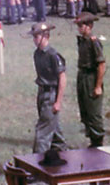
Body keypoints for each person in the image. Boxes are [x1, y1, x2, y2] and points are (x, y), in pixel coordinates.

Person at [30, 22, 68, 154]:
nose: (34, 40)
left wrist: (58, 101)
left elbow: (62, 78)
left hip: (51, 95)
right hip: (42, 94)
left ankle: (36, 166)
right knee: (55, 132)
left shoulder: (53, 55)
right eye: (33, 37)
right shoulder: (37, 54)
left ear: (46, 36)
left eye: (37, 36)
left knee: (42, 135)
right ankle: (64, 157)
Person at [74, 13, 106, 147]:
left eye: (82, 25)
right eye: (79, 26)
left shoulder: (94, 42)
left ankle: (98, 141)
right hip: (82, 76)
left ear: (90, 26)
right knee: (85, 110)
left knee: (93, 112)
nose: (80, 28)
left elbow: (101, 64)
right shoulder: (82, 41)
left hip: (91, 77)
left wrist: (98, 86)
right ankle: (92, 140)